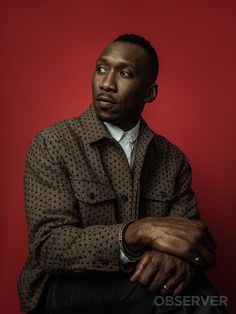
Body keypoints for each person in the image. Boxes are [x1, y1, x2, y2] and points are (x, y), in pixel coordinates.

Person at [18, 34, 226, 314]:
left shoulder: (172, 159)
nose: (106, 83)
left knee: (201, 296)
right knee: (191, 302)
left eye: (124, 73)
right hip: (61, 286)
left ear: (149, 93)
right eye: (101, 68)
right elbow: (50, 247)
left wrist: (181, 262)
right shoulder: (53, 143)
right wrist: (139, 232)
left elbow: (190, 237)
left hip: (138, 282)